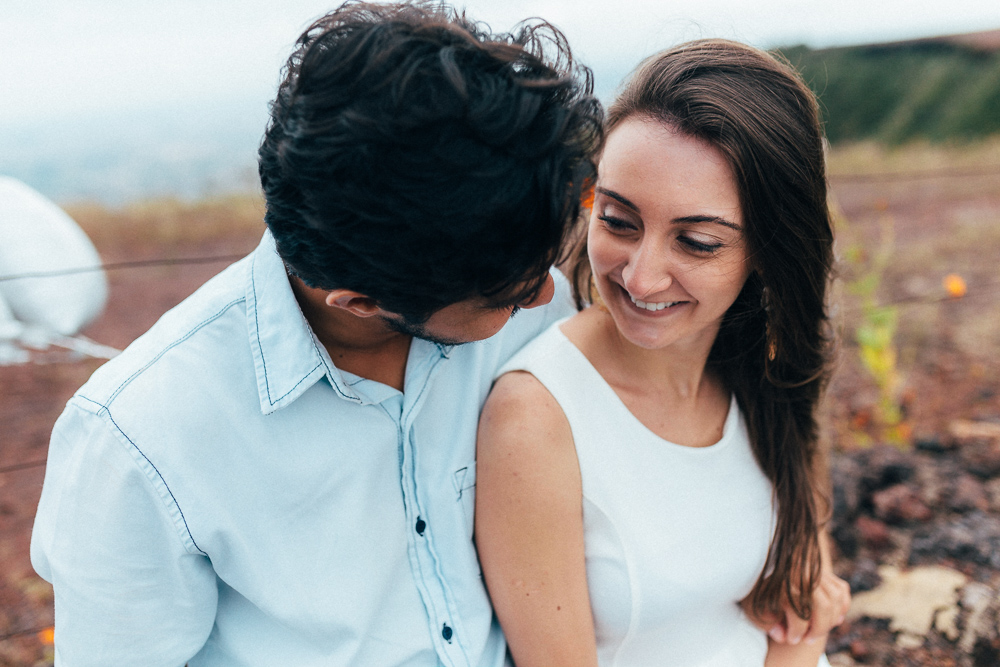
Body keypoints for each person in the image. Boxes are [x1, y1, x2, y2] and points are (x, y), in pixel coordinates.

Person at [30, 3, 602, 665]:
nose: (542, 293)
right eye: (508, 292)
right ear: (359, 300)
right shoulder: (140, 438)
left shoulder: (530, 313)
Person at [475, 39, 851, 667]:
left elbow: (801, 605)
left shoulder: (768, 375)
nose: (642, 278)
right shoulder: (536, 418)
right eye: (619, 221)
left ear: (767, 249)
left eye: (698, 242)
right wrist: (808, 633)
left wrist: (809, 628)